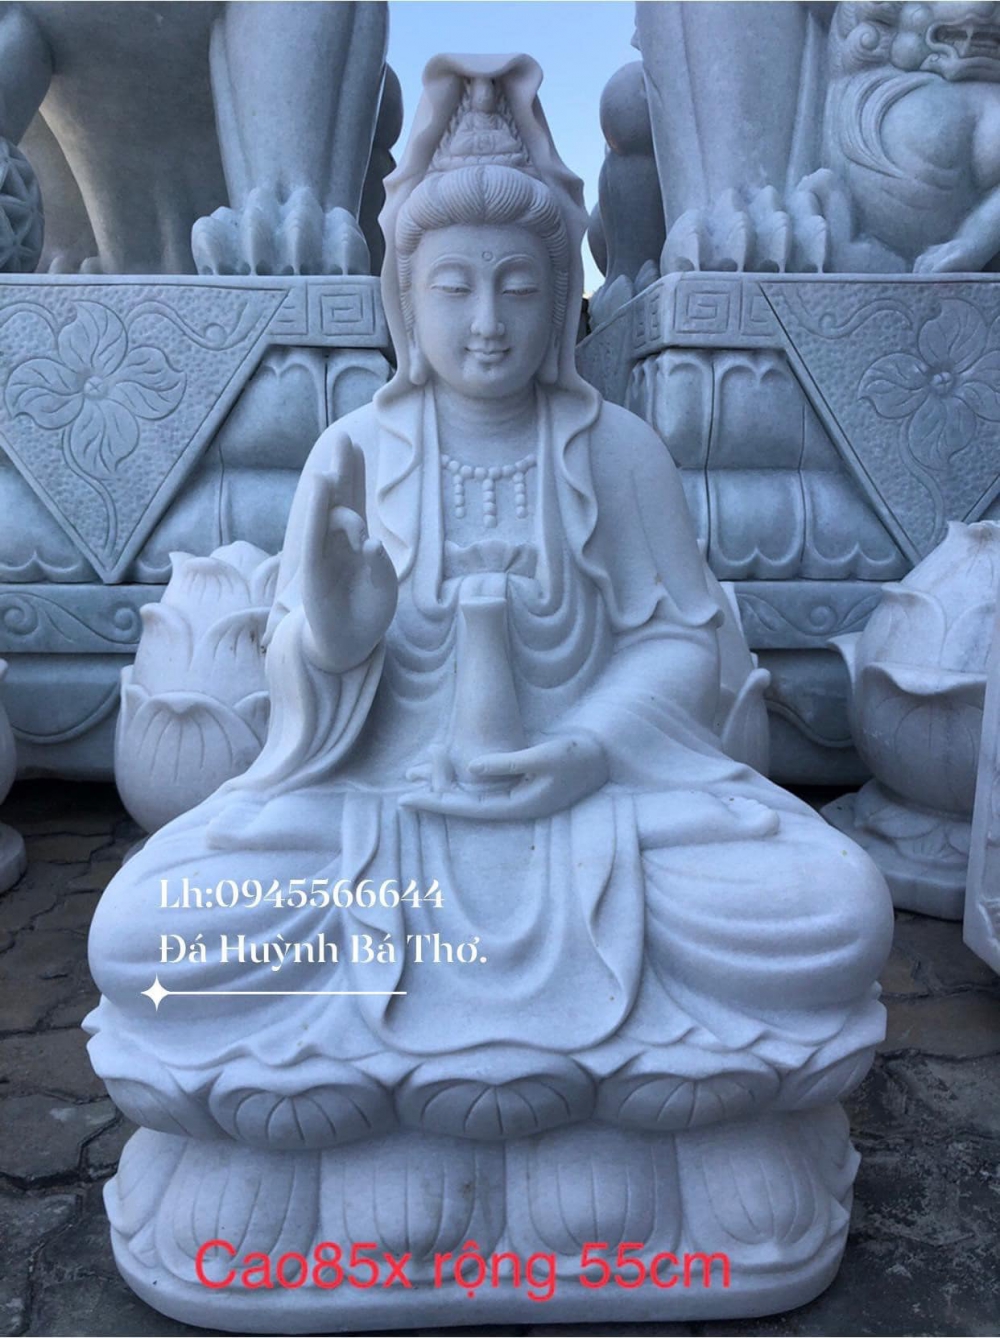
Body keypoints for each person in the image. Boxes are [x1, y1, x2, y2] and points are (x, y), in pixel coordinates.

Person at [87, 54, 893, 1148]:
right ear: (405, 299)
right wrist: (339, 629)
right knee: (143, 936)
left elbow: (678, 647)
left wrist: (587, 750)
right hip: (377, 815)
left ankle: (350, 1098)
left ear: (560, 299)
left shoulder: (619, 449)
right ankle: (644, 1099)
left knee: (834, 910)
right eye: (453, 288)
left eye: (517, 287)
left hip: (597, 815)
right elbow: (302, 698)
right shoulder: (356, 450)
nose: (486, 322)